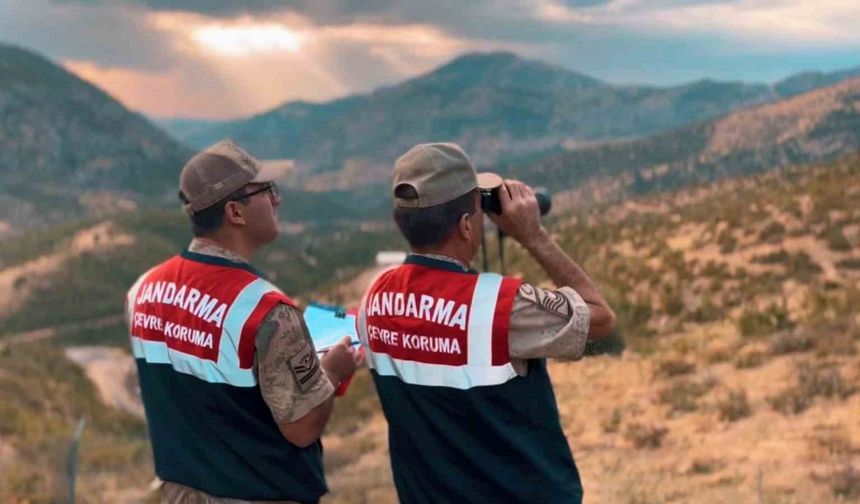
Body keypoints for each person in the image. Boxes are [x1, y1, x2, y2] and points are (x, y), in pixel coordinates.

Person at [356, 142, 616, 503]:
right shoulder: (498, 306)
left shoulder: (375, 297)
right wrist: (532, 234)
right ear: (466, 225)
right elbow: (600, 317)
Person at [125, 140, 361, 504]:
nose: (277, 200)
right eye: (268, 191)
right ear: (236, 212)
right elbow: (302, 428)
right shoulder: (267, 311)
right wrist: (332, 370)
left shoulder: (143, 290)